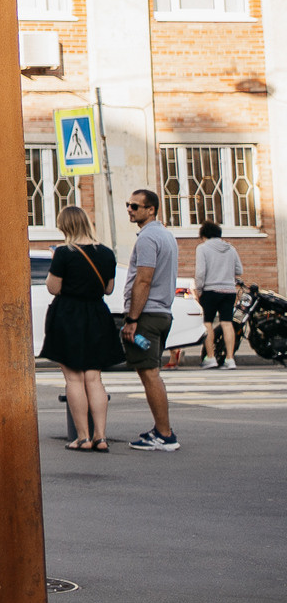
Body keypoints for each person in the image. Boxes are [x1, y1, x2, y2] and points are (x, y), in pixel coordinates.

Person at [39, 206, 120, 449]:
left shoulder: (64, 253)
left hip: (69, 315)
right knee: (94, 379)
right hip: (97, 315)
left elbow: (53, 288)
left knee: (74, 379)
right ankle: (101, 436)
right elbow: (108, 289)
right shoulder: (106, 253)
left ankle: (83, 437)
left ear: (66, 226)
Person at [121, 189, 180, 452]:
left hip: (148, 315)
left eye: (135, 206)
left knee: (150, 375)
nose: (130, 209)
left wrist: (132, 318)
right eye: (128, 205)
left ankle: (165, 435)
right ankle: (161, 430)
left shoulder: (147, 238)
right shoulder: (166, 235)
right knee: (151, 373)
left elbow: (143, 280)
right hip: (162, 312)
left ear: (151, 209)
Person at [197, 222, 243, 370]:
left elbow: (200, 272)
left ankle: (211, 358)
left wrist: (199, 289)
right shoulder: (231, 248)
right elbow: (239, 270)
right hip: (229, 291)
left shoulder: (202, 248)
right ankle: (230, 359)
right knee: (227, 323)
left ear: (204, 235)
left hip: (210, 290)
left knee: (207, 323)